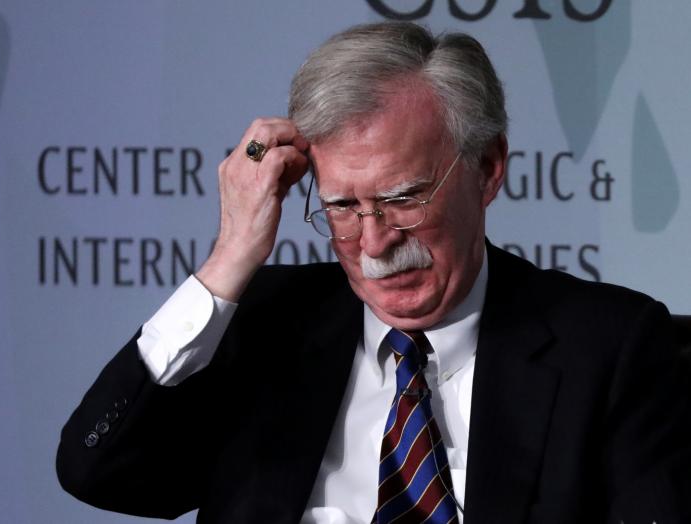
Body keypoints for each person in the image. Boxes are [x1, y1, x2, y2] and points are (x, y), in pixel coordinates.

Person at [57, 22, 691, 524]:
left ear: (488, 167)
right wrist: (227, 262)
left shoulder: (611, 346)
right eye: (341, 207)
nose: (375, 242)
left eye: (405, 197)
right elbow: (96, 472)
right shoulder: (265, 326)